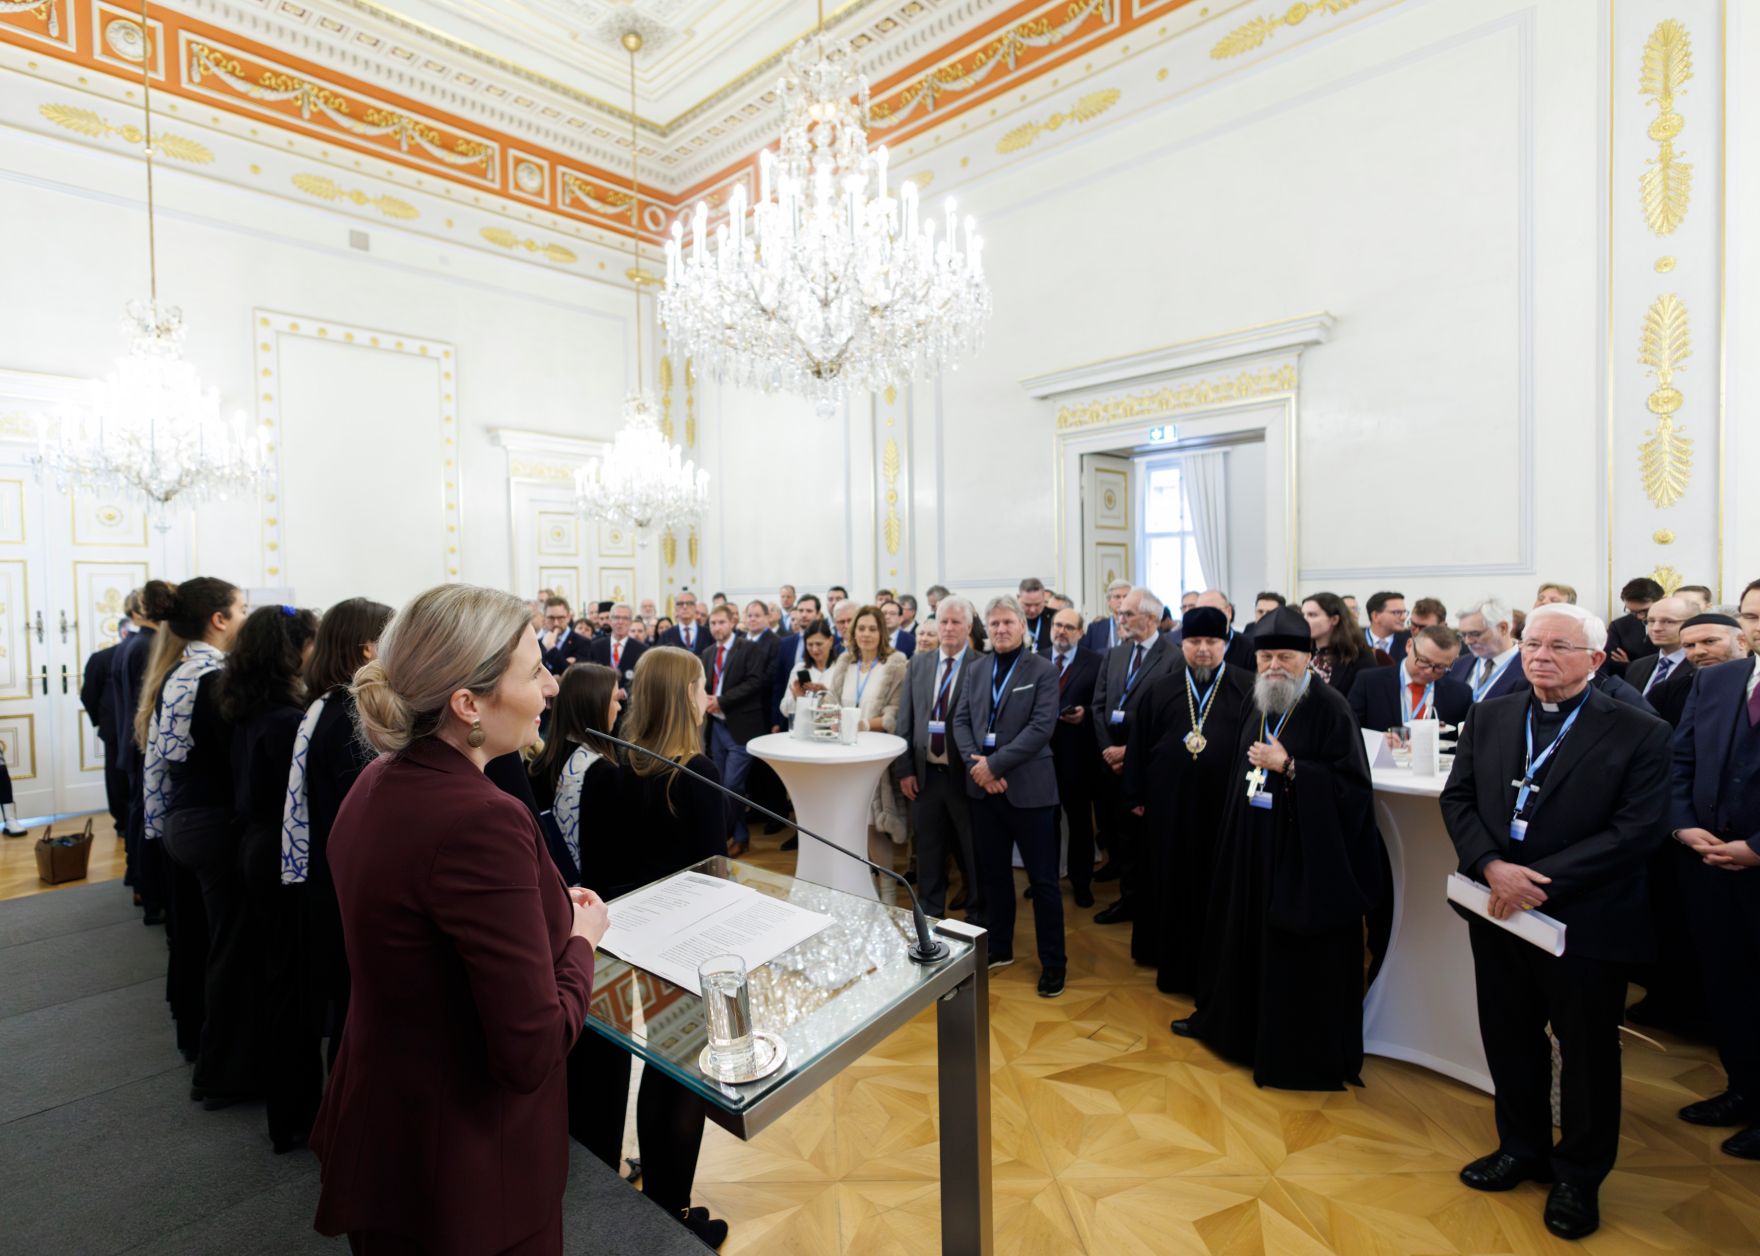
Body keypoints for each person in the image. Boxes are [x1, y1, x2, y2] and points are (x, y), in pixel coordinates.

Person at [310, 584, 608, 1255]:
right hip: (465, 1161)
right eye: (534, 673)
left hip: (388, 1127)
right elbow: (529, 1046)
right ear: (469, 703)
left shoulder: (378, 779)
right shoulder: (482, 818)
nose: (552, 689)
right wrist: (582, 943)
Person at [1438, 601, 1671, 1240]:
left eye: (1559, 647)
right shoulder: (1491, 714)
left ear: (1595, 660)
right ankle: (1522, 1147)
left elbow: (1637, 831)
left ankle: (1579, 1176)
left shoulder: (1638, 729)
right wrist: (1489, 863)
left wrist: (1537, 881)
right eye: (1534, 643)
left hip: (1586, 920)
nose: (1540, 656)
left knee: (1588, 1052)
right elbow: (1458, 798)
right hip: (1498, 912)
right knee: (1509, 1034)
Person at [1173, 606, 1383, 1092]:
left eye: (1284, 657)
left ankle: (1286, 1050)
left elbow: (1352, 791)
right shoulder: (1258, 699)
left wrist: (1291, 767)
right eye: (1266, 656)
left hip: (1298, 858)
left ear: (1308, 657)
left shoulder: (1331, 709)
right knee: (1237, 936)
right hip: (1248, 846)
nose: (1272, 667)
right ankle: (1229, 1029)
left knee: (1286, 953)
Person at [604, 645, 730, 1244]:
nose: (709, 696)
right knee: (684, 1079)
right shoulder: (697, 773)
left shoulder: (621, 764)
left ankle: (658, 1201)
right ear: (685, 694)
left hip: (635, 939)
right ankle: (672, 1215)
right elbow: (715, 875)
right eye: (702, 686)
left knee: (658, 1066)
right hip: (691, 943)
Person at [277, 596, 393, 1156]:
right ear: (369, 648)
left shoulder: (327, 703)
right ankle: (349, 1134)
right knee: (354, 1018)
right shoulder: (350, 714)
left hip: (328, 883)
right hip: (343, 890)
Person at [1667, 582, 1760, 1165]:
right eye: (1752, 614)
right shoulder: (1718, 679)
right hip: (1708, 864)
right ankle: (1743, 1088)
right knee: (1727, 985)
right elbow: (1681, 759)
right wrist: (1681, 825)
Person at [146, 578, 249, 1086]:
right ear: (219, 619)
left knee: (202, 939)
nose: (246, 617)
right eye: (242, 608)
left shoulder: (180, 672)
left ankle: (200, 1043)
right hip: (211, 822)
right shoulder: (214, 678)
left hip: (183, 820)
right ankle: (222, 1070)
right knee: (229, 947)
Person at [225, 604, 320, 1152]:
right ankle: (295, 1116)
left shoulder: (251, 704)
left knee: (280, 979)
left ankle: (290, 1110)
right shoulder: (286, 721)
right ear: (294, 651)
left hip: (258, 845)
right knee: (290, 986)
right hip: (276, 853)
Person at [1122, 606, 1254, 995]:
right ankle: (1173, 961)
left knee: (1217, 886)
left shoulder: (1247, 687)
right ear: (1182, 643)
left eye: (1212, 642)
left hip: (1224, 811)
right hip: (1169, 810)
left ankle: (1217, 964)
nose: (1202, 650)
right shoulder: (1159, 689)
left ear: (1225, 644)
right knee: (1170, 883)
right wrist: (1135, 794)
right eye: (1194, 641)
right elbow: (1138, 746)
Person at [953, 595, 1063, 995]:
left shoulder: (1044, 670)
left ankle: (1054, 962)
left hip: (1029, 791)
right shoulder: (977, 668)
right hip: (984, 792)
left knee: (1044, 882)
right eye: (994, 623)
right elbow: (961, 721)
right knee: (994, 878)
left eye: (1007, 623)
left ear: (1022, 626)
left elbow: (1040, 729)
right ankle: (999, 946)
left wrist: (993, 765)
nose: (1000, 630)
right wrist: (977, 768)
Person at [1091, 587, 1178, 922]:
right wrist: (1106, 750)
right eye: (1120, 613)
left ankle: (1150, 904)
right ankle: (1128, 900)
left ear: (1152, 618)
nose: (1120, 618)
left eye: (1128, 613)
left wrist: (1130, 752)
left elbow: (1172, 718)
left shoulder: (1172, 658)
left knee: (1145, 841)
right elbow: (1099, 705)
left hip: (1147, 765)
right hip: (1110, 763)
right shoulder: (1115, 654)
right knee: (1119, 837)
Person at [894, 597, 979, 918]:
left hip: (965, 778)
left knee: (972, 853)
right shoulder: (919, 664)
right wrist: (905, 770)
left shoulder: (981, 665)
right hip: (925, 776)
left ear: (968, 628)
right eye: (943, 621)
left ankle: (976, 920)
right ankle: (930, 919)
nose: (948, 628)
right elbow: (905, 720)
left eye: (956, 622)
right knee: (928, 853)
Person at [824, 605, 910, 893]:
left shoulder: (896, 663)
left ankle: (887, 893)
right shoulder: (844, 662)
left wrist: (858, 724)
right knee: (851, 827)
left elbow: (894, 714)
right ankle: (860, 890)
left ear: (882, 632)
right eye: (861, 628)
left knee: (875, 828)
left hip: (876, 756)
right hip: (844, 756)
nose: (867, 634)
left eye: (873, 628)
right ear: (853, 632)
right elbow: (831, 702)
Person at [111, 580, 174, 918]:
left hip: (130, 740)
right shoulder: (145, 646)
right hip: (140, 741)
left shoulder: (130, 643)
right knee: (143, 812)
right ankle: (144, 885)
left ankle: (137, 878)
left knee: (139, 810)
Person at [698, 604, 769, 857]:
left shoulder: (749, 648)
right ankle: (740, 837)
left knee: (733, 785)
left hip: (741, 727)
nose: (717, 627)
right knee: (722, 786)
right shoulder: (707, 653)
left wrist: (722, 700)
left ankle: (726, 835)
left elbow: (755, 682)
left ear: (732, 623)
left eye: (721, 622)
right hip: (715, 727)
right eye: (712, 623)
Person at [1046, 607, 1102, 909]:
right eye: (1057, 625)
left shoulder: (1096, 662)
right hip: (1040, 758)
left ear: (1080, 632)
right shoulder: (1037, 658)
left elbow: (1103, 704)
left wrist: (1086, 714)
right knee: (1045, 823)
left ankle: (1081, 883)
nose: (1061, 631)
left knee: (1080, 824)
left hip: (1078, 758)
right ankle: (1047, 879)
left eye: (1069, 627)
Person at [1348, 625, 1472, 732]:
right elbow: (1350, 730)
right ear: (1409, 645)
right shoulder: (1369, 682)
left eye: (1440, 667)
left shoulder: (1460, 694)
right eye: (1423, 661)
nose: (1429, 671)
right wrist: (1379, 740)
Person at [82, 600, 133, 839]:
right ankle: (122, 821)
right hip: (114, 728)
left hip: (129, 727)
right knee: (116, 776)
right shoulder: (101, 659)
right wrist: (102, 722)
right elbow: (88, 695)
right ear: (124, 632)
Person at [1449, 596, 1527, 703]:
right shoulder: (1457, 666)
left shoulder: (1529, 667)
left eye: (1475, 634)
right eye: (1463, 634)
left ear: (1503, 628)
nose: (1468, 641)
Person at [1300, 592, 1373, 695]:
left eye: (1312, 615)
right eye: (1303, 615)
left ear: (1334, 619)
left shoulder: (1358, 656)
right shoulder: (1300, 652)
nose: (1304, 620)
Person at [1625, 594, 1692, 695]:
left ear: (1692, 623)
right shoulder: (1637, 666)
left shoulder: (1702, 666)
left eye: (1668, 621)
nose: (1656, 628)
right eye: (1651, 621)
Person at [1602, 576, 1664, 677]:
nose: (1639, 617)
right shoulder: (1619, 626)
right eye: (1633, 612)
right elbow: (1611, 664)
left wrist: (1631, 666)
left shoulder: (1677, 624)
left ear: (1662, 600)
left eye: (1644, 611)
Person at [583, 601, 645, 693]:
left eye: (625, 618)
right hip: (600, 700)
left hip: (628, 703)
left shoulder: (642, 649)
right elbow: (587, 676)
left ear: (631, 622)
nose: (620, 622)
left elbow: (642, 681)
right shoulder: (595, 646)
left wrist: (625, 693)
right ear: (610, 620)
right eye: (616, 617)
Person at [1195, 590, 1255, 671]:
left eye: (1214, 610)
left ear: (1229, 612)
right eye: (1200, 612)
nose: (1207, 617)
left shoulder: (1250, 648)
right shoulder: (1190, 648)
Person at [538, 596, 592, 675]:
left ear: (568, 617)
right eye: (551, 618)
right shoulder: (538, 643)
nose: (556, 623)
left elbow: (574, 675)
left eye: (560, 618)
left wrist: (551, 649)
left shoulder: (583, 642)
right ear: (544, 618)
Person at [1082, 579, 1133, 654]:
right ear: (1109, 601)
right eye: (1117, 597)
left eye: (1125, 597)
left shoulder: (1139, 627)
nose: (1122, 601)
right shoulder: (1095, 628)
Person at [1363, 591, 1409, 661]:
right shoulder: (1353, 642)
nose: (1403, 618)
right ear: (1375, 616)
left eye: (1404, 612)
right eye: (1397, 612)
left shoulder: (1410, 642)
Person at [1018, 578, 1053, 653]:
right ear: (1018, 598)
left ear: (1044, 599)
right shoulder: (1008, 618)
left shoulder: (1055, 617)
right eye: (1027, 605)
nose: (1032, 610)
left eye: (1037, 604)